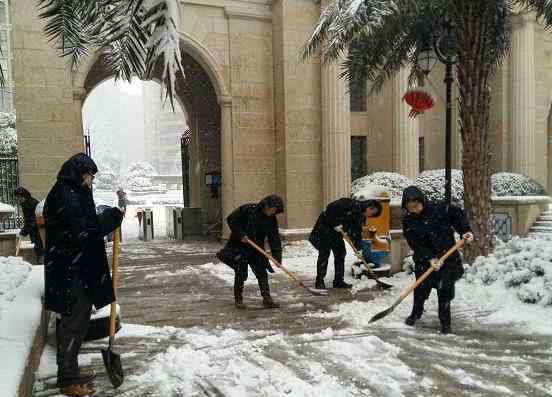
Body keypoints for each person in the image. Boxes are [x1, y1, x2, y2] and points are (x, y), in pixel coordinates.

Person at [44, 153, 123, 397]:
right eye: (89, 175)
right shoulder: (65, 195)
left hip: (79, 269)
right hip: (71, 272)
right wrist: (108, 220)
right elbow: (82, 231)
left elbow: (85, 221)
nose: (91, 180)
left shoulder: (74, 192)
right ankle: (67, 379)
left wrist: (104, 216)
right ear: (79, 173)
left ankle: (72, 370)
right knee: (72, 324)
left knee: (78, 324)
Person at [401, 186, 474, 334]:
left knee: (444, 291)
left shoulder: (439, 209)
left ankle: (445, 323)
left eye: (415, 206)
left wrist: (465, 231)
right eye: (409, 208)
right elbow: (414, 242)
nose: (413, 210)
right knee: (420, 289)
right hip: (424, 260)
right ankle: (416, 313)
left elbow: (458, 215)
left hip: (447, 257)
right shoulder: (408, 220)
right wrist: (429, 258)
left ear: (422, 201)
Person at [216, 195, 284, 310]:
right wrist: (241, 234)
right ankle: (238, 299)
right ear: (265, 205)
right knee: (240, 272)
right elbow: (231, 220)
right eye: (272, 209)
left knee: (262, 272)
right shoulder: (247, 210)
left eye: (275, 211)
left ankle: (267, 299)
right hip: (240, 246)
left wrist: (277, 257)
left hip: (257, 248)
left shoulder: (271, 220)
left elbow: (274, 239)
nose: (273, 212)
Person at [310, 198, 383, 289]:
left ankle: (338, 281)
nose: (370, 216)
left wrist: (358, 248)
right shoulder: (348, 203)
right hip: (324, 229)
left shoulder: (360, 216)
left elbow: (356, 232)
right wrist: (335, 223)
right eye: (372, 214)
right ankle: (319, 281)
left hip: (336, 233)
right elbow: (330, 208)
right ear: (370, 208)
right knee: (324, 253)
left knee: (341, 253)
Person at [14, 187, 43, 262]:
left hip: (39, 230)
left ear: (24, 195)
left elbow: (31, 221)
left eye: (19, 197)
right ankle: (41, 260)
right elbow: (29, 221)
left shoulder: (30, 204)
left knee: (40, 248)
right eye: (17, 197)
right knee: (38, 247)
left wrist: (24, 231)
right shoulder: (26, 204)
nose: (18, 199)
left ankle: (41, 262)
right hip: (36, 231)